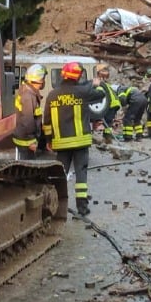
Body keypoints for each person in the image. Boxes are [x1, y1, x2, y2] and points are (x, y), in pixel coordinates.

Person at [43, 61, 105, 215]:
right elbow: (101, 95)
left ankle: (55, 208)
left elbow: (47, 121)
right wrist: (96, 84)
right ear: (78, 76)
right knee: (81, 175)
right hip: (80, 143)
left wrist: (48, 140)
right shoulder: (82, 92)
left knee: (59, 175)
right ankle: (82, 209)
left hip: (61, 144)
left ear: (63, 75)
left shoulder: (52, 94)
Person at [12, 64, 48, 160]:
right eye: (43, 79)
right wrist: (31, 141)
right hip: (26, 141)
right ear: (39, 80)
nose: (44, 81)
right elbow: (27, 120)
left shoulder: (26, 90)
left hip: (23, 138)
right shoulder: (28, 95)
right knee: (28, 167)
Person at [93, 64, 122, 142]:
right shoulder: (103, 84)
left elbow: (100, 96)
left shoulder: (99, 86)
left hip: (112, 104)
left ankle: (108, 139)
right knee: (107, 120)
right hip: (113, 103)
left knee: (108, 121)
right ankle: (107, 137)